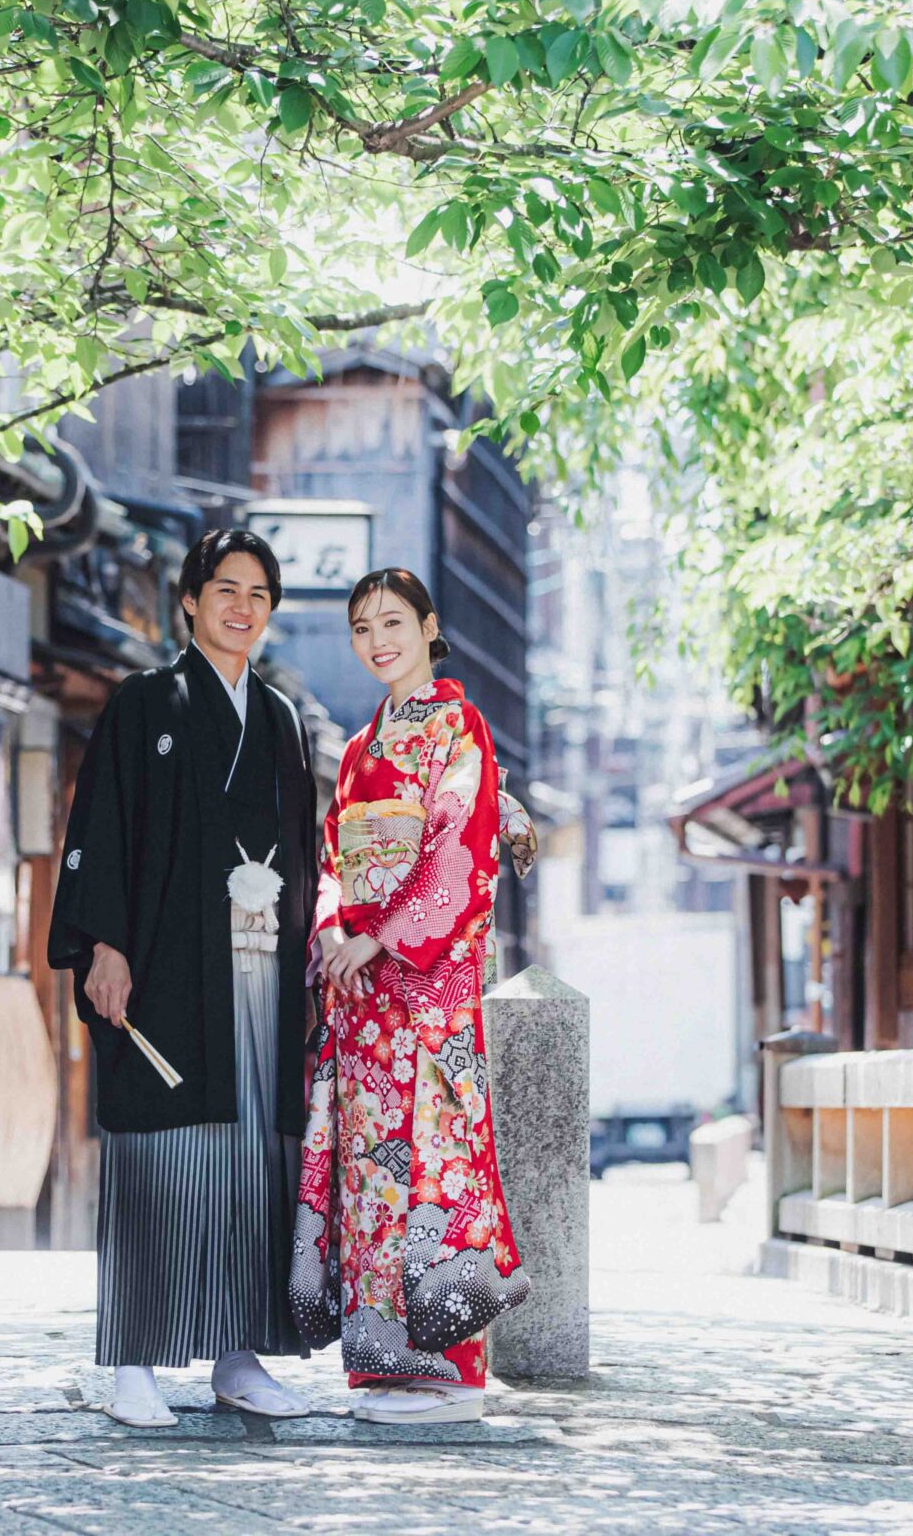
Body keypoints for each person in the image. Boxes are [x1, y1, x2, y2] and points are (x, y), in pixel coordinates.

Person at [49, 529, 319, 1427]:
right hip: (168, 963)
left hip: (260, 969)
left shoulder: (279, 718)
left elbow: (308, 855)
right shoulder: (144, 703)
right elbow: (103, 828)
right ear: (190, 602)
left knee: (252, 1160)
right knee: (161, 1154)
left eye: (260, 594)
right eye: (227, 589)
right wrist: (103, 945)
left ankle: (239, 1355)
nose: (244, 607)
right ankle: (133, 1356)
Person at [290, 566, 531, 1424]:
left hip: (424, 993)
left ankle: (453, 1367)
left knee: (434, 1163)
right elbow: (332, 858)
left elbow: (456, 848)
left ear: (429, 627)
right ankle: (386, 1363)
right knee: (371, 1175)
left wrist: (377, 935)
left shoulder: (458, 728)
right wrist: (328, 930)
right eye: (362, 627)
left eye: (393, 621)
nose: (377, 639)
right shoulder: (358, 750)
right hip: (363, 997)